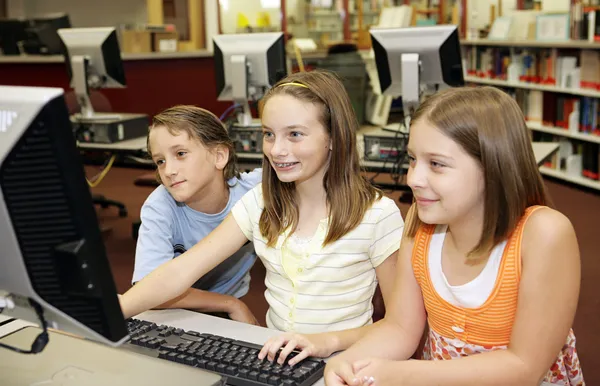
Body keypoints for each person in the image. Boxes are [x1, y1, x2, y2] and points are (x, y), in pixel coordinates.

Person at [120, 70, 404, 362]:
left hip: (348, 360)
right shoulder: (260, 202)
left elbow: (400, 326)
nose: (277, 150)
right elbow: (178, 272)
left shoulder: (377, 215)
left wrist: (327, 342)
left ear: (333, 136)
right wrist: (116, 310)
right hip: (276, 359)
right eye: (269, 134)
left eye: (294, 134)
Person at [324, 86, 585, 386]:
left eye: (436, 164)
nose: (413, 179)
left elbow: (524, 367)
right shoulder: (420, 223)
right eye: (412, 159)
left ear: (493, 166)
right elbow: (400, 327)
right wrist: (348, 361)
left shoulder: (544, 234)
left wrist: (401, 374)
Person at [132, 105, 262, 324]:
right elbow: (148, 291)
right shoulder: (160, 206)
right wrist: (230, 304)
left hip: (226, 307)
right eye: (160, 161)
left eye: (181, 154)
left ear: (219, 156)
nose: (168, 170)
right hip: (171, 307)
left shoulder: (254, 192)